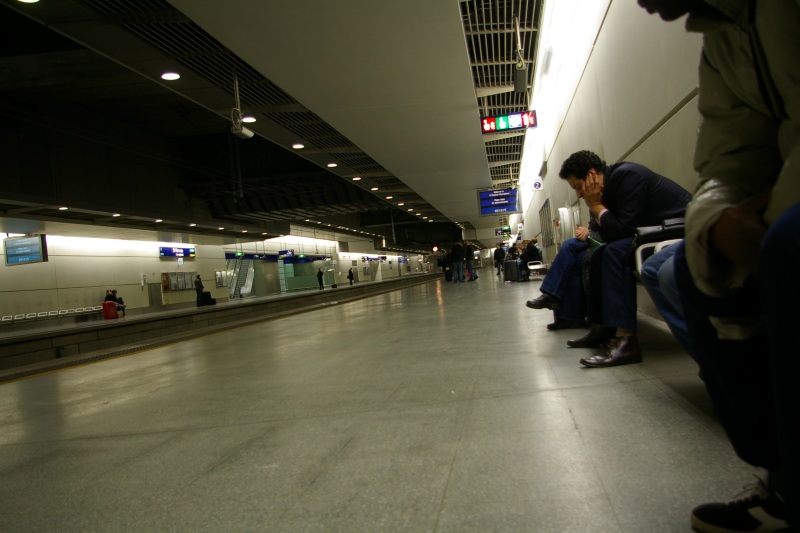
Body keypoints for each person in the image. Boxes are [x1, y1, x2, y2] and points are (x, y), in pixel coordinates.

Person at [639, 1, 799, 529]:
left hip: (784, 208)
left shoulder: (625, 180)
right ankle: (780, 473)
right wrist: (715, 223)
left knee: (784, 247)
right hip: (772, 198)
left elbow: (619, 227)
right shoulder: (724, 35)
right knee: (686, 268)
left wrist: (766, 218)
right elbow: (728, 157)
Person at [557, 150, 691, 368]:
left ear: (592, 174)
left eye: (579, 186)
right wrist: (598, 205)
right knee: (599, 254)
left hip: (678, 227)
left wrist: (596, 206)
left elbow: (623, 230)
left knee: (614, 252)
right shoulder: (607, 189)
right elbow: (612, 234)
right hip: (649, 231)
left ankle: (625, 340)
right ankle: (603, 327)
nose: (580, 194)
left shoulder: (628, 176)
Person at [526, 217, 600, 330]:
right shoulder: (595, 208)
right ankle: (568, 317)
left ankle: (551, 295)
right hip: (594, 240)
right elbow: (596, 226)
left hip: (604, 240)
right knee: (573, 261)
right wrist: (586, 230)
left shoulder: (604, 207)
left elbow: (612, 227)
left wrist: (589, 233)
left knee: (569, 245)